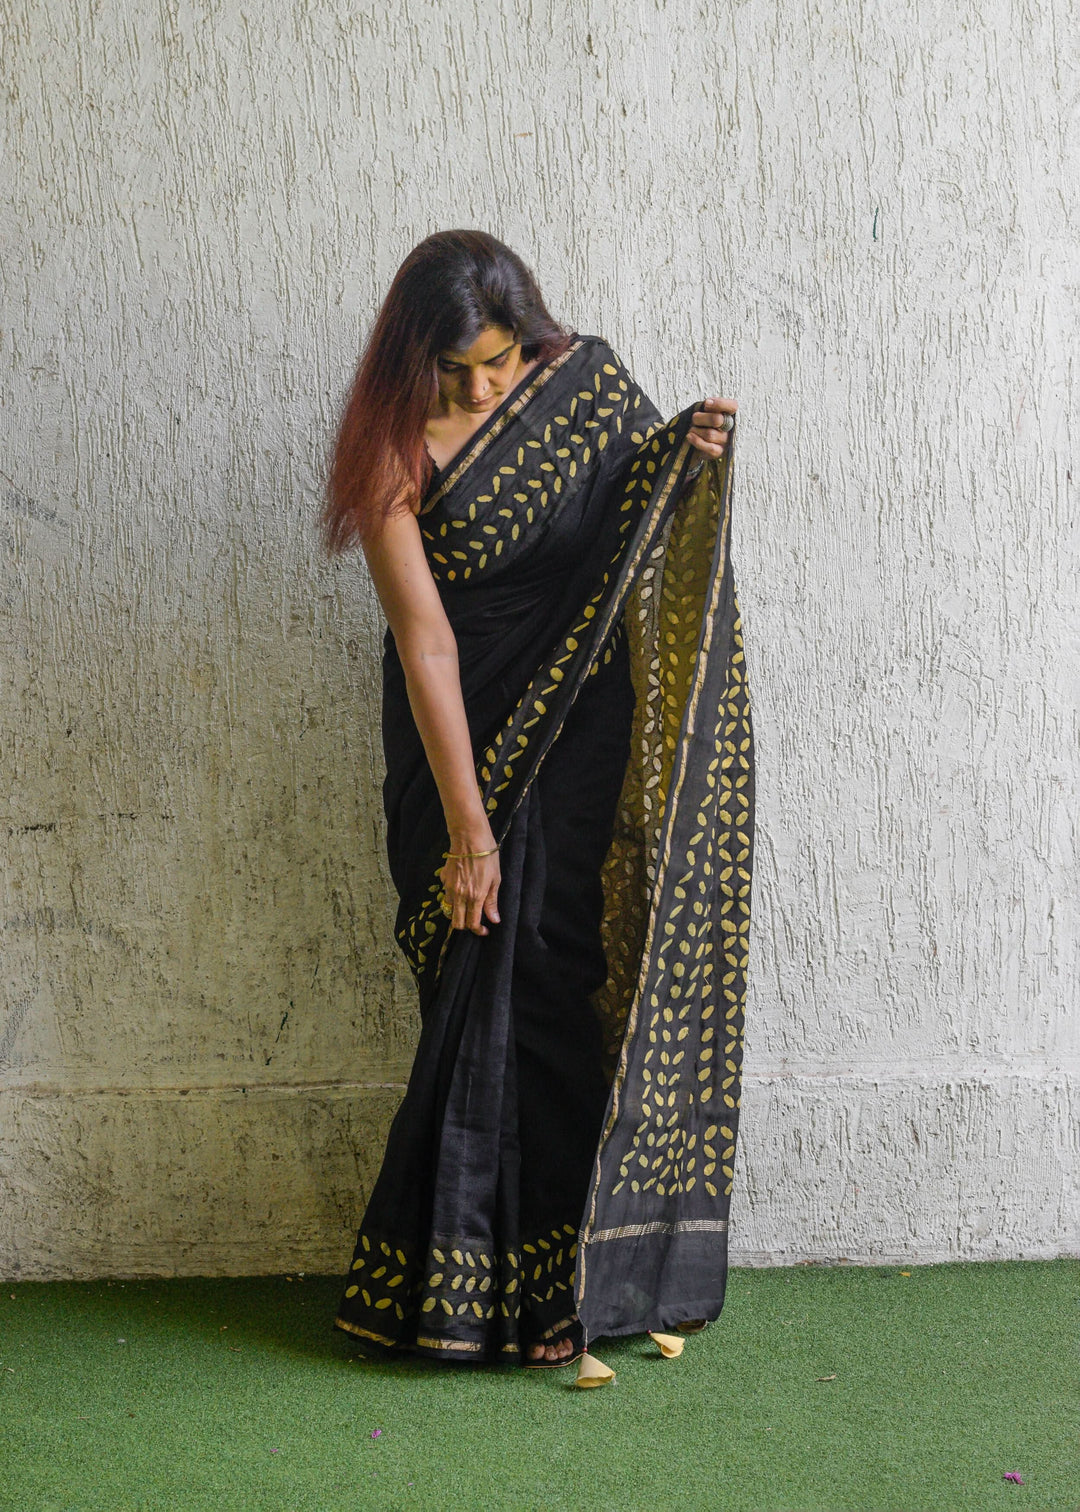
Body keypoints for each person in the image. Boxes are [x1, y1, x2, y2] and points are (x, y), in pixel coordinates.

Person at [323, 230, 753, 1379]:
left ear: (532, 341)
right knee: (479, 992)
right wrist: (469, 834)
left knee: (564, 985)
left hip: (579, 742)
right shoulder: (388, 451)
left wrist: (680, 460)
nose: (482, 390)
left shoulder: (583, 389)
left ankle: (569, 1288)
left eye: (501, 363)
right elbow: (426, 646)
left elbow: (628, 528)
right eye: (456, 369)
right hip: (457, 753)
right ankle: (469, 1295)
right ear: (412, 356)